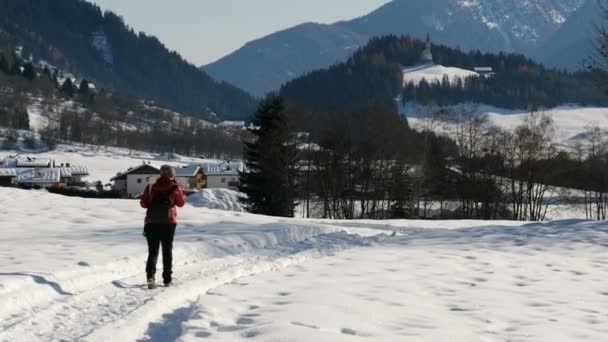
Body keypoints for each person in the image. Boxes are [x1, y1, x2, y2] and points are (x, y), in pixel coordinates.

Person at [140, 165, 185, 289]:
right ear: (172, 174)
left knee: (152, 251)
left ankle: (150, 277)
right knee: (167, 251)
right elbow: (181, 203)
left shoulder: (151, 185)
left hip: (151, 222)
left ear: (160, 174)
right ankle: (167, 279)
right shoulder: (175, 187)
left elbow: (143, 203)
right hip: (168, 223)